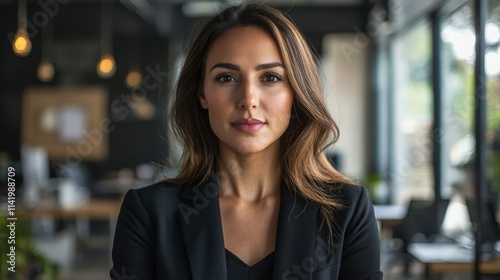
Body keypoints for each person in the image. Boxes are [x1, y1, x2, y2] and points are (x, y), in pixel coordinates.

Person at [110, 3, 382, 280]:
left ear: (296, 93)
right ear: (201, 94)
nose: (248, 99)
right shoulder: (149, 213)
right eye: (226, 77)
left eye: (271, 77)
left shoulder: (345, 211)